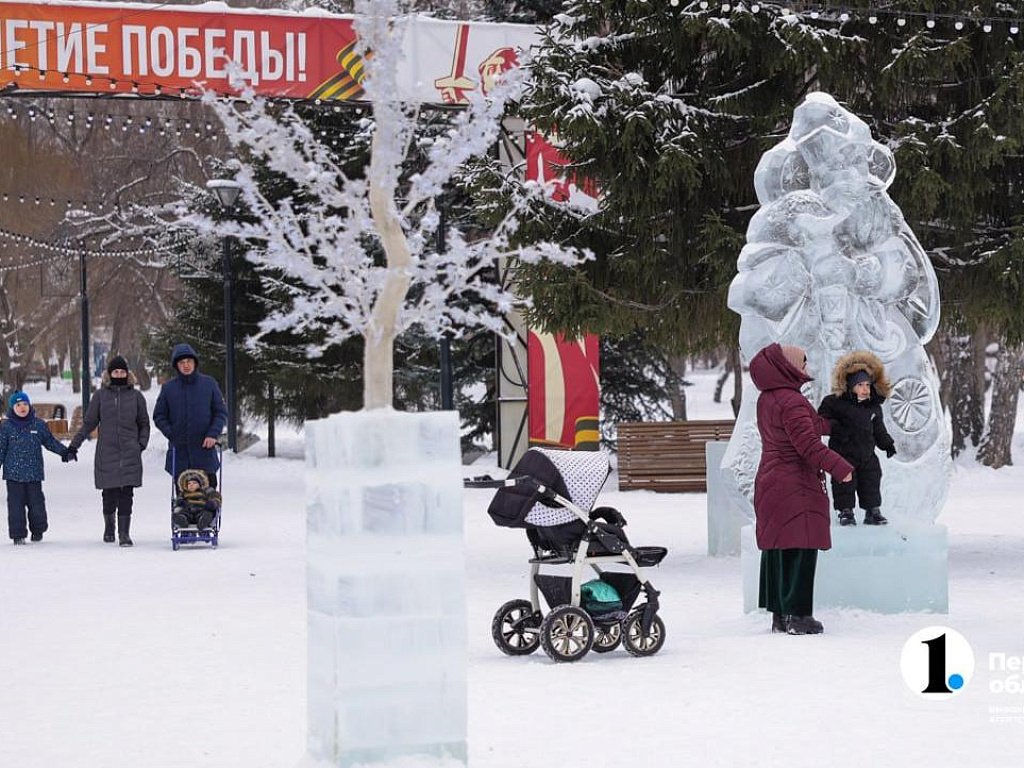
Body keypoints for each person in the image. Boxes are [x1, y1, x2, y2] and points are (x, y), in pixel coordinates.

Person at [750, 343, 854, 635]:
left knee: (779, 548)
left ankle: (780, 615)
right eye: (803, 364)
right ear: (788, 367)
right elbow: (806, 445)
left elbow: (802, 428)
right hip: (794, 482)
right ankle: (799, 616)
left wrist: (833, 424)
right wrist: (841, 468)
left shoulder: (768, 398)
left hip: (771, 479)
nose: (806, 370)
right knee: (801, 546)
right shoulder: (792, 401)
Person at [68, 355, 151, 546]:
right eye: (116, 372)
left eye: (122, 372)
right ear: (109, 374)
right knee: (109, 493)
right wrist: (74, 445)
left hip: (130, 451)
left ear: (127, 373)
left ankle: (124, 533)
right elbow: (89, 423)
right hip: (107, 452)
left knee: (127, 494)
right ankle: (109, 526)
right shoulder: (100, 396)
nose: (119, 375)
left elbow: (144, 424)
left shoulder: (136, 396)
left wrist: (141, 444)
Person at [817, 350, 897, 527]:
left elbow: (879, 429)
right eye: (860, 385)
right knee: (844, 482)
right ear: (850, 385)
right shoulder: (835, 403)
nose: (864, 389)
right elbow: (821, 420)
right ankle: (845, 511)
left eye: (867, 385)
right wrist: (835, 428)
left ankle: (872, 510)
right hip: (843, 453)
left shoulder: (873, 407)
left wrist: (887, 444)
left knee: (871, 479)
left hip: (867, 454)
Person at [0, 391, 74, 544]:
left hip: (34, 474)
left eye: (25, 404)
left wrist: (65, 453)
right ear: (12, 408)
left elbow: (50, 442)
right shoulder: (6, 427)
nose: (22, 408)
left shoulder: (38, 425)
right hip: (13, 476)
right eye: (18, 405)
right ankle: (18, 534)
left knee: (37, 505)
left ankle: (38, 529)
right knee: (15, 507)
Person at [153, 343, 228, 488]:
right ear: (176, 366)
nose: (186, 365)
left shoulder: (209, 384)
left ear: (195, 363)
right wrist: (171, 433)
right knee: (183, 502)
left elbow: (220, 412)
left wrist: (212, 434)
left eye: (189, 361)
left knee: (209, 499)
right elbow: (159, 416)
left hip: (205, 454)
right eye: (182, 362)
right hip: (180, 454)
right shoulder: (168, 388)